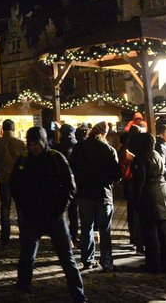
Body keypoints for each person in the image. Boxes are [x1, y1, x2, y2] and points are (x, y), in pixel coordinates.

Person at [10, 127, 87, 303]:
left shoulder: (55, 158)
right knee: (27, 256)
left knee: (66, 257)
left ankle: (78, 295)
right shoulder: (24, 159)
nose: (34, 147)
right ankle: (22, 291)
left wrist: (60, 208)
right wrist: (23, 205)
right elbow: (15, 185)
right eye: (31, 144)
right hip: (32, 216)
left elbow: (70, 186)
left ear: (43, 142)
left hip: (55, 217)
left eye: (37, 143)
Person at [69, 121, 122, 272]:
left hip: (84, 193)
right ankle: (106, 262)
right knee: (105, 230)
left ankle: (87, 259)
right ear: (103, 134)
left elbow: (72, 167)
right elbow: (117, 175)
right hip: (103, 194)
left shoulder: (79, 147)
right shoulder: (108, 149)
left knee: (87, 228)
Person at [132, 132, 166, 273]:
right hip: (162, 193)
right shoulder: (156, 154)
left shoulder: (141, 158)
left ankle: (153, 263)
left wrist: (135, 199)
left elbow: (139, 181)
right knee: (164, 233)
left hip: (149, 197)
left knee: (150, 232)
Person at [0, 118, 26, 246]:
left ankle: (5, 238)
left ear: (2, 129)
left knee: (5, 209)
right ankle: (23, 236)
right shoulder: (20, 144)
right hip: (19, 181)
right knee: (21, 208)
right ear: (13, 129)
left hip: (4, 180)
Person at [57, 123, 79, 243]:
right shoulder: (77, 146)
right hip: (74, 182)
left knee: (61, 211)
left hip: (60, 183)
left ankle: (63, 236)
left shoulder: (58, 147)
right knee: (73, 212)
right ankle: (73, 236)